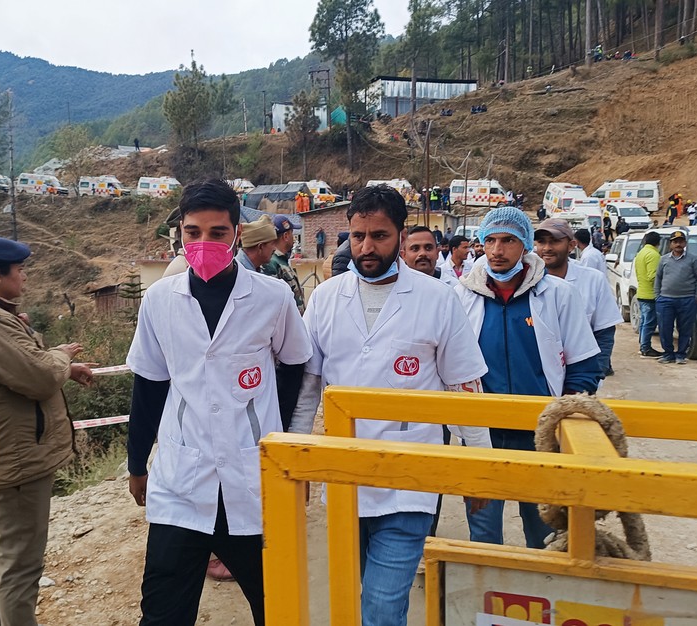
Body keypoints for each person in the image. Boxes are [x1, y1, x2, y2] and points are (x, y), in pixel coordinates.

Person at [290, 185, 491, 626]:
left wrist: (479, 465)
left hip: (410, 475)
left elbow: (464, 387)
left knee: (382, 606)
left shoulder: (438, 299)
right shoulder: (325, 298)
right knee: (351, 595)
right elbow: (309, 387)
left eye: (378, 236)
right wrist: (299, 458)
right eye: (357, 235)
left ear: (400, 237)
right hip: (344, 475)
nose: (366, 247)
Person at [125, 179, 312, 626]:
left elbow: (294, 367)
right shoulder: (159, 302)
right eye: (193, 232)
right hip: (181, 479)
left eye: (217, 233)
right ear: (180, 234)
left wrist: (276, 439)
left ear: (236, 234)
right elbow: (149, 386)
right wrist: (137, 464)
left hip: (250, 479)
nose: (204, 242)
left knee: (276, 605)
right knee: (163, 611)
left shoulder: (271, 297)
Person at [0, 237, 93, 626]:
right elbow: (41, 377)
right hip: (17, 459)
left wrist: (54, 363)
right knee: (20, 568)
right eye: (19, 270)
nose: (25, 277)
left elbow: (21, 367)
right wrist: (62, 357)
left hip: (0, 455)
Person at [455, 207, 601, 549]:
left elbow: (583, 363)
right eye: (489, 240)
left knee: (544, 529)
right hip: (482, 433)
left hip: (539, 432)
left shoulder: (558, 294)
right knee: (483, 529)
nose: (497, 250)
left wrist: (564, 415)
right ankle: (486, 592)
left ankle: (543, 594)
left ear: (524, 246)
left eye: (508, 241)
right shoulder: (461, 295)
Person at [534, 219, 624, 379]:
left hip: (579, 375)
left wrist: (594, 376)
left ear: (571, 245)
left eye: (554, 242)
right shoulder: (526, 282)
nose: (547, 248)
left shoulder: (593, 280)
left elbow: (604, 333)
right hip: (537, 377)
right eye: (541, 242)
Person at [654, 230, 697, 364]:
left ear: (685, 243)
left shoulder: (694, 259)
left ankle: (681, 355)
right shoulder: (663, 259)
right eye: (675, 242)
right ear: (670, 244)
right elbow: (658, 277)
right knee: (665, 328)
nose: (678, 244)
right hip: (665, 300)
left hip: (687, 299)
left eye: (681, 241)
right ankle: (668, 354)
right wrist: (657, 295)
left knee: (685, 328)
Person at [262, 214, 306, 314]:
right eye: (292, 234)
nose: (294, 239)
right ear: (286, 236)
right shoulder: (271, 263)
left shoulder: (282, 260)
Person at [634, 231, 663, 358]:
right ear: (658, 243)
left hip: (642, 292)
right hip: (651, 294)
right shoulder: (653, 255)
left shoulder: (641, 253)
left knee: (644, 321)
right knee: (649, 322)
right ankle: (645, 348)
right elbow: (653, 276)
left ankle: (643, 346)